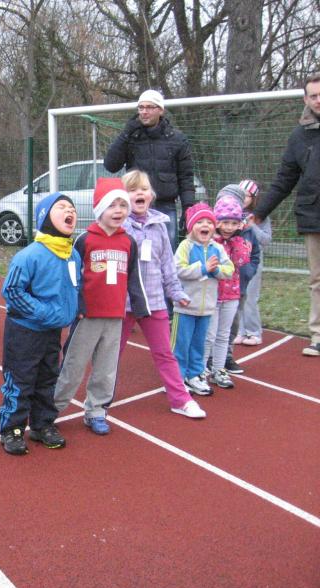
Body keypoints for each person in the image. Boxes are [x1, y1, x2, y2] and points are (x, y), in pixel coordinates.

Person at [53, 178, 150, 436]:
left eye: (123, 205)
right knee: (73, 366)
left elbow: (134, 277)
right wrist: (77, 305)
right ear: (99, 209)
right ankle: (52, 408)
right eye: (112, 205)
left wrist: (140, 306)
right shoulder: (85, 240)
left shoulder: (128, 242)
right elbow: (72, 275)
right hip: (87, 316)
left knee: (106, 369)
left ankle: (96, 410)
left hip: (115, 316)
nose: (118, 211)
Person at [117, 170, 205, 419]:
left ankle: (181, 400)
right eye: (132, 189)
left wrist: (175, 291)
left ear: (151, 195)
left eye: (144, 189)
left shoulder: (160, 226)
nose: (139, 193)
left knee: (165, 353)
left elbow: (167, 263)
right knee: (112, 354)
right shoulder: (119, 226)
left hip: (154, 301)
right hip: (124, 303)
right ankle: (100, 399)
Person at [0, 193, 81, 455]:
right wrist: (43, 312)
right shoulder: (30, 255)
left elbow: (74, 287)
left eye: (72, 208)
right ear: (45, 216)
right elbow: (12, 291)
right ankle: (11, 428)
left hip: (52, 331)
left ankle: (42, 424)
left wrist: (73, 310)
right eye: (62, 207)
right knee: (20, 380)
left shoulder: (72, 255)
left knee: (47, 379)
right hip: (25, 331)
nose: (70, 211)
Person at [253, 73, 320, 357]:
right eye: (313, 96)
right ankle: (318, 335)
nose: (318, 100)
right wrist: (259, 213)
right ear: (306, 99)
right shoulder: (298, 137)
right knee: (317, 280)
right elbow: (284, 180)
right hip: (313, 216)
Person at [104, 89, 196, 250]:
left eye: (149, 107)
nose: (144, 112)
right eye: (141, 107)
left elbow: (186, 176)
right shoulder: (131, 137)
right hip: (134, 207)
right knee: (132, 252)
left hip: (166, 206)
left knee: (166, 252)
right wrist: (125, 134)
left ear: (160, 110)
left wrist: (188, 206)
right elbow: (111, 165)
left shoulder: (177, 139)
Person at [172, 204, 234, 396]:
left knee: (199, 344)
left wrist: (216, 270)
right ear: (191, 226)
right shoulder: (185, 246)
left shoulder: (217, 248)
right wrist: (203, 268)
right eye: (200, 222)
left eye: (209, 222)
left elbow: (229, 269)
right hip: (185, 307)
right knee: (181, 345)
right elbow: (178, 269)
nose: (205, 225)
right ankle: (177, 378)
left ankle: (195, 375)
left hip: (207, 308)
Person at [203, 196, 253, 390]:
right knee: (209, 335)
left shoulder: (238, 241)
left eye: (234, 223)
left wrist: (239, 237)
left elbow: (242, 260)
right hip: (212, 295)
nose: (229, 227)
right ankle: (201, 369)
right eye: (225, 222)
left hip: (232, 295)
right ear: (217, 222)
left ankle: (218, 369)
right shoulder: (210, 242)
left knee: (224, 335)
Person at [211, 184, 261, 375]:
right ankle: (208, 358)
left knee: (232, 324)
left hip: (238, 286)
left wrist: (248, 271)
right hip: (214, 288)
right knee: (211, 326)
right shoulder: (212, 230)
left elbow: (255, 254)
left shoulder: (248, 231)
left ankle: (227, 356)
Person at [236, 179, 271, 346]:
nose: (243, 198)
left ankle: (254, 332)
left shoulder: (261, 218)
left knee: (250, 296)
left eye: (247, 196)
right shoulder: (232, 212)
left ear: (254, 198)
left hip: (253, 260)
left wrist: (252, 226)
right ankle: (239, 331)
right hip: (235, 259)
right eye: (240, 194)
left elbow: (266, 240)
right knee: (237, 295)